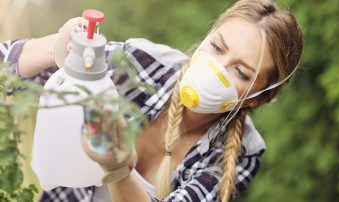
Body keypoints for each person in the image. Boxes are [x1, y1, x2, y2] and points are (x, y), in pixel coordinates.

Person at [0, 0, 303, 201]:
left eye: (240, 71)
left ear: (258, 98)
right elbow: (7, 68)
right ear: (206, 39)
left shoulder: (236, 158)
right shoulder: (141, 65)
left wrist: (117, 169)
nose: (216, 70)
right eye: (217, 47)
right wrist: (57, 45)